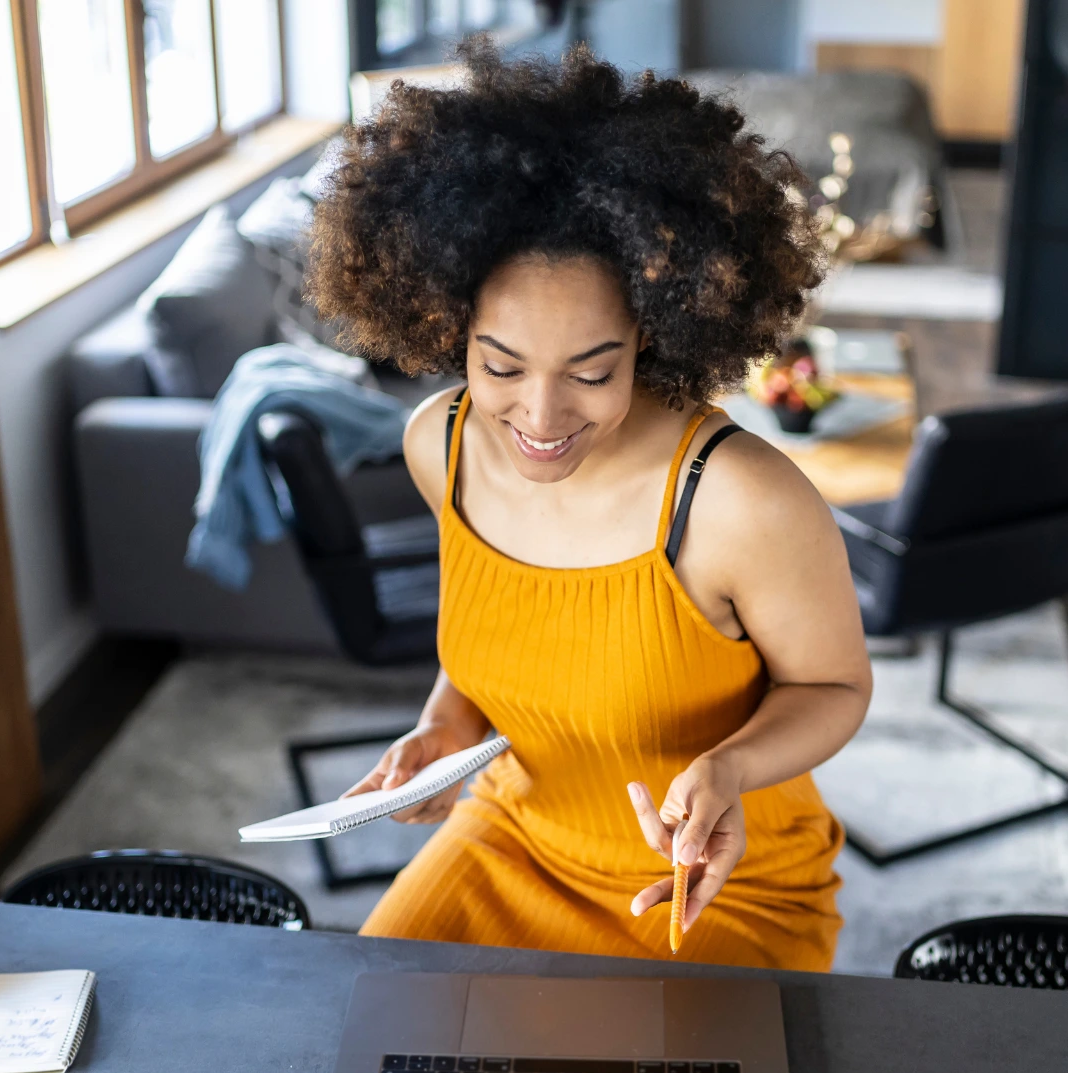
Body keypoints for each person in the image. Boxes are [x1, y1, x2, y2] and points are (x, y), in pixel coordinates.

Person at [306, 40, 871, 972]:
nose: (539, 416)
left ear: (654, 332)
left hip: (715, 874)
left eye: (592, 371)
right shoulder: (438, 447)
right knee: (366, 1025)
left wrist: (729, 767)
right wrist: (448, 724)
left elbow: (835, 687)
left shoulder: (740, 501)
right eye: (500, 365)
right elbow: (503, 640)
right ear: (449, 324)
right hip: (514, 840)